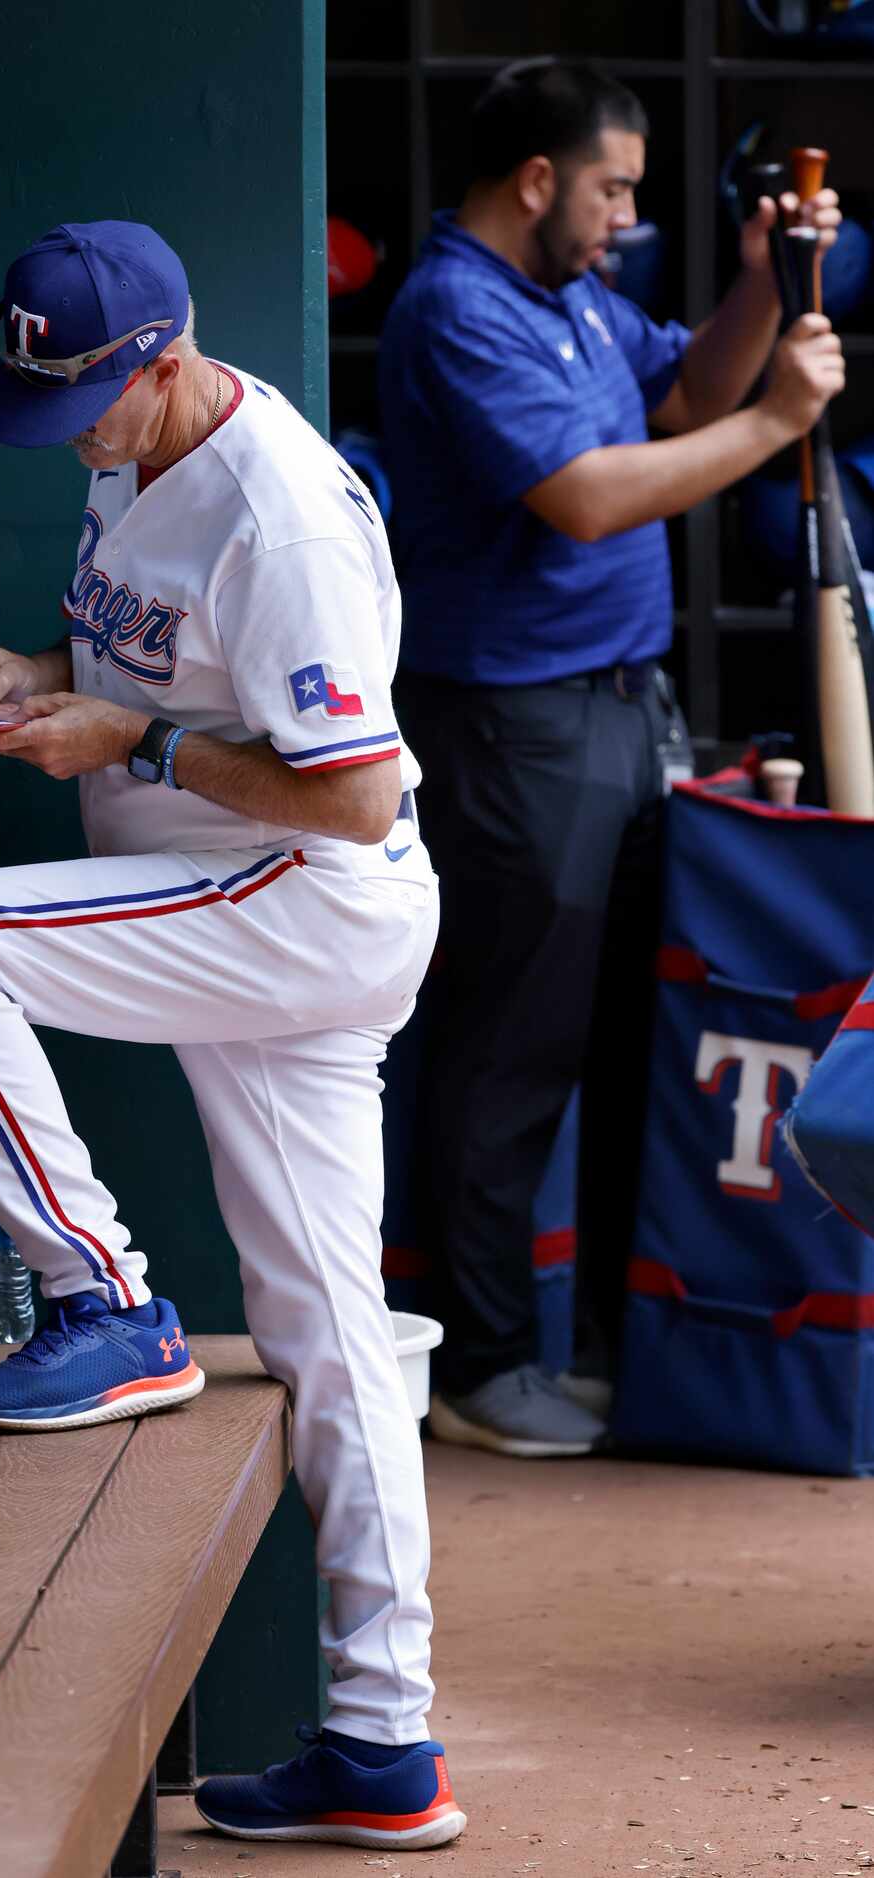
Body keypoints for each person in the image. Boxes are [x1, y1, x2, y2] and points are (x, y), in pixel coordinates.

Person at [0, 220, 467, 1852]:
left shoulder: (279, 515)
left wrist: (137, 741)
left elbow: (354, 792)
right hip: (242, 894)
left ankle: (108, 1300)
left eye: (86, 401)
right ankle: (382, 1743)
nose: (70, 430)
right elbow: (154, 672)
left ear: (165, 355)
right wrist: (43, 677)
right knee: (332, 1325)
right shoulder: (136, 451)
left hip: (294, 894)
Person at [377, 58, 844, 1458]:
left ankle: (588, 1345)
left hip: (617, 714)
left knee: (620, 1041)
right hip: (511, 729)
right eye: (613, 187)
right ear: (538, 182)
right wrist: (778, 425)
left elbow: (680, 403)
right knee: (505, 1051)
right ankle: (477, 1365)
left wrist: (761, 289)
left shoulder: (565, 299)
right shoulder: (455, 308)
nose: (628, 214)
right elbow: (584, 500)